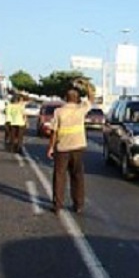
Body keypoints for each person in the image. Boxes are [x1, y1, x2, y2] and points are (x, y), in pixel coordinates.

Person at [47, 80, 95, 214]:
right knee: (78, 177)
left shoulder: (59, 112)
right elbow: (92, 97)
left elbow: (54, 131)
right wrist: (86, 85)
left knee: (59, 176)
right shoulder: (81, 109)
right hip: (78, 148)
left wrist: (51, 147)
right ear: (77, 99)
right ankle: (78, 205)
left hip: (62, 148)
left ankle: (57, 205)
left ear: (65, 99)